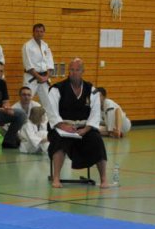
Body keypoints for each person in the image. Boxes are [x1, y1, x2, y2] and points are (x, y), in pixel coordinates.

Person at [46, 58, 110, 188]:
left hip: (84, 127)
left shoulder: (92, 90)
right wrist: (63, 126)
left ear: (83, 71)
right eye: (72, 70)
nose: (74, 72)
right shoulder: (57, 89)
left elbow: (95, 113)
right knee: (59, 141)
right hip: (62, 126)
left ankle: (104, 179)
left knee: (97, 140)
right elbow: (51, 111)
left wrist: (86, 129)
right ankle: (56, 178)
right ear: (68, 71)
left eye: (77, 70)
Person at [22, 23, 54, 98]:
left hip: (44, 78)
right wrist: (39, 77)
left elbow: (50, 63)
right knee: (26, 99)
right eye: (37, 31)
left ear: (44, 33)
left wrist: (47, 76)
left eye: (41, 31)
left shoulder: (45, 45)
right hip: (31, 78)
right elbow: (28, 65)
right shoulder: (27, 46)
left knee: (50, 101)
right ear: (33, 32)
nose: (39, 33)